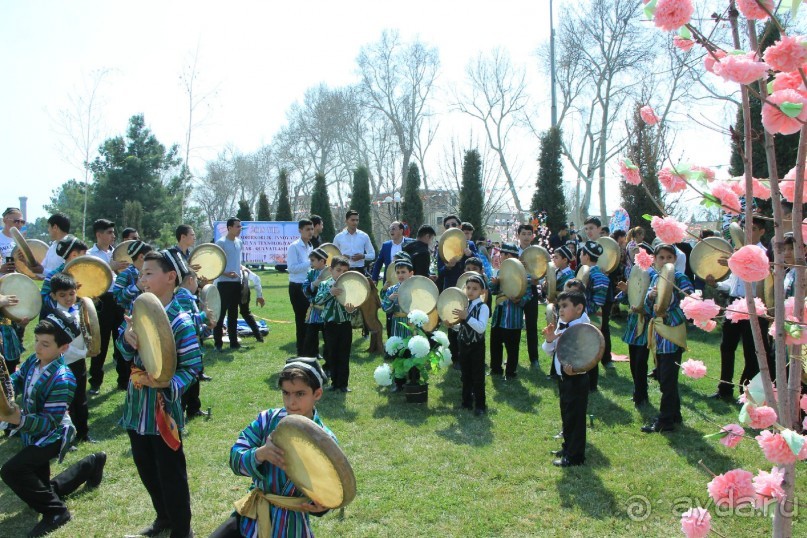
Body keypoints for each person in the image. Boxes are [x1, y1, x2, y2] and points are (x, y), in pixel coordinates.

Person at [117, 250, 202, 538]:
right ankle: (163, 517)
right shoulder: (138, 311)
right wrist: (127, 338)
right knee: (146, 467)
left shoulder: (180, 320)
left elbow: (192, 367)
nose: (142, 279)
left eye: (149, 273)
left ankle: (181, 528)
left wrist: (166, 384)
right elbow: (124, 351)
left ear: (170, 277)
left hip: (163, 409)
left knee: (170, 472)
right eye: (141, 273)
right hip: (137, 404)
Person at [0, 312, 106, 538]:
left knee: (12, 471)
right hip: (32, 431)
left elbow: (49, 423)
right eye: (37, 340)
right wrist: (5, 392)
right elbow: (17, 381)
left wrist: (17, 419)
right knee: (42, 488)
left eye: (45, 344)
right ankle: (92, 463)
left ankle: (57, 512)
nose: (37, 347)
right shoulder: (33, 361)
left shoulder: (63, 378)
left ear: (63, 348)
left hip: (52, 435)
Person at [209, 358, 333, 538]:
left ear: (317, 394)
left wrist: (322, 506)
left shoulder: (326, 441)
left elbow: (331, 488)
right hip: (252, 515)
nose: (291, 402)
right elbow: (235, 458)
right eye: (286, 393)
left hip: (291, 525)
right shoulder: (266, 420)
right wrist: (260, 454)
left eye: (300, 394)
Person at [707, 216, 772, 401]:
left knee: (751, 351)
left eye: (753, 229)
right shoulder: (737, 253)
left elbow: (761, 282)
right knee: (727, 346)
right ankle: (724, 388)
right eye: (744, 228)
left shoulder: (764, 254)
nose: (747, 232)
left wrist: (737, 260)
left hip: (754, 305)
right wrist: (716, 284)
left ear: (762, 232)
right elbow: (732, 283)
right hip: (734, 303)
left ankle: (746, 392)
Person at [642, 244, 693, 433]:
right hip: (658, 334)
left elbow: (689, 304)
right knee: (664, 377)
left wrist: (669, 317)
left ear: (675, 259)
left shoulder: (680, 278)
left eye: (669, 257)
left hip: (672, 334)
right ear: (655, 260)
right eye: (661, 258)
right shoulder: (655, 277)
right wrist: (650, 297)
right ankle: (674, 414)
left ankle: (665, 421)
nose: (665, 261)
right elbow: (648, 308)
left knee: (668, 379)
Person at [542, 291, 591, 467]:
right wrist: (549, 340)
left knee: (575, 419)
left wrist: (576, 371)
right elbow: (549, 351)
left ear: (579, 308)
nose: (560, 310)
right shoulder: (562, 326)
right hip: (564, 379)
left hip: (576, 380)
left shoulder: (583, 329)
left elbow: (589, 355)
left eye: (565, 306)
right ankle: (568, 447)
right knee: (567, 416)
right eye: (559, 307)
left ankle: (575, 456)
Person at [45, 273, 94, 442]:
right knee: (67, 402)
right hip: (64, 365)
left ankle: (83, 433)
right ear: (53, 296)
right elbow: (63, 348)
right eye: (62, 295)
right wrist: (84, 353)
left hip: (79, 362)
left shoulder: (80, 310)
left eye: (71, 294)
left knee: (81, 398)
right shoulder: (54, 318)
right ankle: (68, 436)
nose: (68, 298)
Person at [87, 219, 127, 395]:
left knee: (122, 340)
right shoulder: (89, 255)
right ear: (98, 234)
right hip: (102, 300)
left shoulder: (118, 253)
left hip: (118, 299)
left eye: (113, 232)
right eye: (109, 232)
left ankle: (124, 380)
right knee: (101, 343)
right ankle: (95, 382)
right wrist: (109, 267)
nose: (113, 236)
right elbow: (90, 278)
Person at [616, 243, 655, 407]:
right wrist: (626, 291)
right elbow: (629, 299)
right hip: (633, 322)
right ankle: (637, 391)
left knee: (640, 361)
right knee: (633, 360)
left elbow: (655, 300)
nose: (635, 255)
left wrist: (644, 308)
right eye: (633, 253)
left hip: (644, 323)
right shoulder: (634, 271)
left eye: (638, 252)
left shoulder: (653, 274)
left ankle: (641, 393)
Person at [313, 256, 357, 392]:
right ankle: (334, 382)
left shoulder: (349, 286)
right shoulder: (325, 285)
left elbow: (354, 304)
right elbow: (318, 301)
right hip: (330, 325)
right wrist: (330, 293)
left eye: (345, 271)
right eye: (338, 270)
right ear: (331, 270)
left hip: (345, 325)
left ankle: (343, 384)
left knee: (344, 354)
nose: (341, 274)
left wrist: (351, 310)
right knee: (331, 353)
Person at [489, 244, 532, 379]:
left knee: (512, 347)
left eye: (502, 254)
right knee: (495, 343)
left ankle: (511, 372)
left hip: (513, 317)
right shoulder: (500, 272)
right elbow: (492, 291)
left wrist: (519, 300)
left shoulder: (524, 274)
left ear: (508, 256)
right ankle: (496, 368)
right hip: (499, 315)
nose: (500, 257)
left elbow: (528, 295)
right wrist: (494, 284)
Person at [452, 274, 490, 415]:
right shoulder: (465, 306)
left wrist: (466, 317)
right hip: (463, 344)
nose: (470, 291)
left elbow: (481, 327)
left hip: (476, 346)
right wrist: (452, 325)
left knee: (478, 376)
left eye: (475, 289)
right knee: (465, 375)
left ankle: (480, 405)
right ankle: (466, 402)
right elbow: (462, 326)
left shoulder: (483, 307)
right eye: (468, 288)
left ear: (482, 291)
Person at [578, 241, 610, 392]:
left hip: (593, 317)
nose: (580, 256)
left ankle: (591, 384)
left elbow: (598, 302)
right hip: (582, 315)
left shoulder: (599, 276)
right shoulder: (585, 272)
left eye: (581, 253)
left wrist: (580, 307)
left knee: (591, 349)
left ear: (586, 255)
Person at [381, 258, 416, 391]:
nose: (400, 275)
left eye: (403, 272)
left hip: (412, 325)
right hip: (397, 325)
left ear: (411, 273)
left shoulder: (416, 289)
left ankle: (414, 379)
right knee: (399, 352)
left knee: (412, 351)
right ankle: (399, 381)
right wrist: (389, 300)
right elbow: (385, 309)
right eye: (398, 272)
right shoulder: (392, 290)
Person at [215, 217, 245, 351]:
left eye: (240, 226)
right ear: (229, 228)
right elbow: (215, 264)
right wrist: (226, 273)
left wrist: (242, 270)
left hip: (236, 283)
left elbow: (237, 261)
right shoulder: (221, 243)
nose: (240, 229)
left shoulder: (239, 242)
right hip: (224, 283)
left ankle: (234, 342)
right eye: (237, 226)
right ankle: (218, 343)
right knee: (221, 313)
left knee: (233, 313)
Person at [287, 219, 314, 356]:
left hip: (308, 286)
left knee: (311, 320)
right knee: (301, 320)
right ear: (300, 230)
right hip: (297, 287)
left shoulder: (310, 246)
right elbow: (291, 268)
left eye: (312, 229)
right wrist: (310, 263)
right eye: (307, 229)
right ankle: (301, 351)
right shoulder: (294, 247)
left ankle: (311, 350)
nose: (310, 232)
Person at [516, 224, 540, 369]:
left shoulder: (537, 253)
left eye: (529, 234)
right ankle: (513, 357)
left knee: (532, 325)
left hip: (532, 291)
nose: (526, 237)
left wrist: (537, 279)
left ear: (532, 236)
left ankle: (534, 358)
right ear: (518, 235)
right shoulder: (513, 252)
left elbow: (541, 273)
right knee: (515, 325)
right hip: (516, 290)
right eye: (523, 234)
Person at [302, 248, 328, 360]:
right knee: (311, 334)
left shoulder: (331, 272)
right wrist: (314, 284)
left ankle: (329, 357)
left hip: (327, 310)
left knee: (328, 335)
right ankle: (312, 355)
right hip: (314, 309)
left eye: (313, 260)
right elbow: (305, 289)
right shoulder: (311, 273)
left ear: (322, 261)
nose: (311, 263)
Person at [112, 240, 151, 314]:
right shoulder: (125, 274)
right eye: (150, 256)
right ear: (141, 257)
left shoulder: (151, 273)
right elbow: (118, 299)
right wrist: (136, 287)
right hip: (133, 317)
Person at [333, 210, 375, 274]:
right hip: (343, 270)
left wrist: (362, 256)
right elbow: (333, 256)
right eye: (352, 220)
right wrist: (341, 257)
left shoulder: (364, 236)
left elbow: (372, 255)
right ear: (346, 221)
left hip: (360, 270)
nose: (355, 222)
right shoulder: (338, 237)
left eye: (357, 220)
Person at [371, 221, 412, 286]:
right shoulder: (386, 245)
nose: (391, 231)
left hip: (407, 282)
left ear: (401, 231)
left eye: (393, 229)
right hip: (389, 282)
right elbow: (378, 263)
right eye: (390, 229)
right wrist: (374, 279)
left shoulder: (411, 243)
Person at [239, 266, 265, 342]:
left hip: (239, 289)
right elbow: (256, 278)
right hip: (244, 289)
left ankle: (232, 340)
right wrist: (259, 296)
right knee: (245, 313)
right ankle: (259, 337)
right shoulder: (241, 267)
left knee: (232, 314)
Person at [0, 207, 25, 273]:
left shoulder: (21, 240)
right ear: (5, 220)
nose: (19, 224)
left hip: (16, 278)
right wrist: (0, 269)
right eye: (16, 221)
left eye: (22, 222)